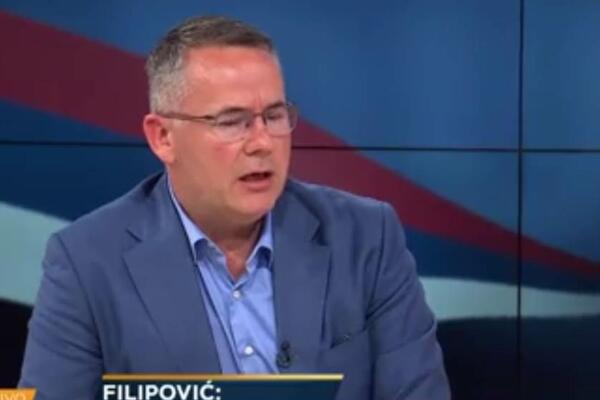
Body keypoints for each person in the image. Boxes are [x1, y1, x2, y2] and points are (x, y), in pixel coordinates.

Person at [19, 15, 450, 400]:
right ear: (163, 137)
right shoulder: (87, 263)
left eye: (274, 116)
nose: (262, 142)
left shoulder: (366, 238)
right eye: (231, 122)